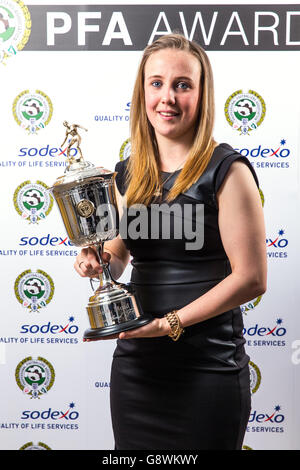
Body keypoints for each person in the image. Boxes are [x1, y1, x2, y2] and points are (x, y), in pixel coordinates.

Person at [74, 34, 267, 450]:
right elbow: (120, 255)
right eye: (156, 83)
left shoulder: (227, 171)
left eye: (183, 85)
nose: (168, 98)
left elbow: (251, 278)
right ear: (142, 91)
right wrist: (96, 258)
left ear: (202, 95)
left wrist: (170, 323)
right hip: (138, 368)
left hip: (208, 368)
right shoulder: (128, 172)